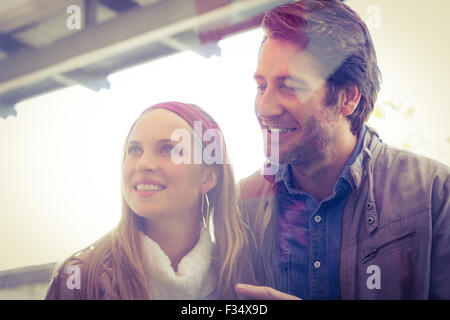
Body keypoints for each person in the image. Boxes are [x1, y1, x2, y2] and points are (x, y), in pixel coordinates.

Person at [234, 0, 450, 300]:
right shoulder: (242, 202)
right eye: (261, 86)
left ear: (348, 97)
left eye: (290, 86)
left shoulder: (436, 193)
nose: (265, 107)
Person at [45, 101, 255, 299]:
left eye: (168, 149)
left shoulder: (242, 278)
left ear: (207, 178)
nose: (143, 164)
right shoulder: (78, 277)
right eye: (134, 150)